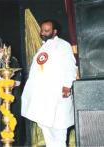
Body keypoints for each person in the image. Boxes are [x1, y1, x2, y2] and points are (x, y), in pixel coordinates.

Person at [21, 19, 77, 147]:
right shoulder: (43, 47)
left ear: (54, 31)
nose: (42, 33)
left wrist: (67, 85)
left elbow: (70, 66)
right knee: (47, 133)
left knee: (59, 132)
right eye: (42, 30)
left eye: (46, 31)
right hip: (43, 98)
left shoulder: (63, 45)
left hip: (58, 95)